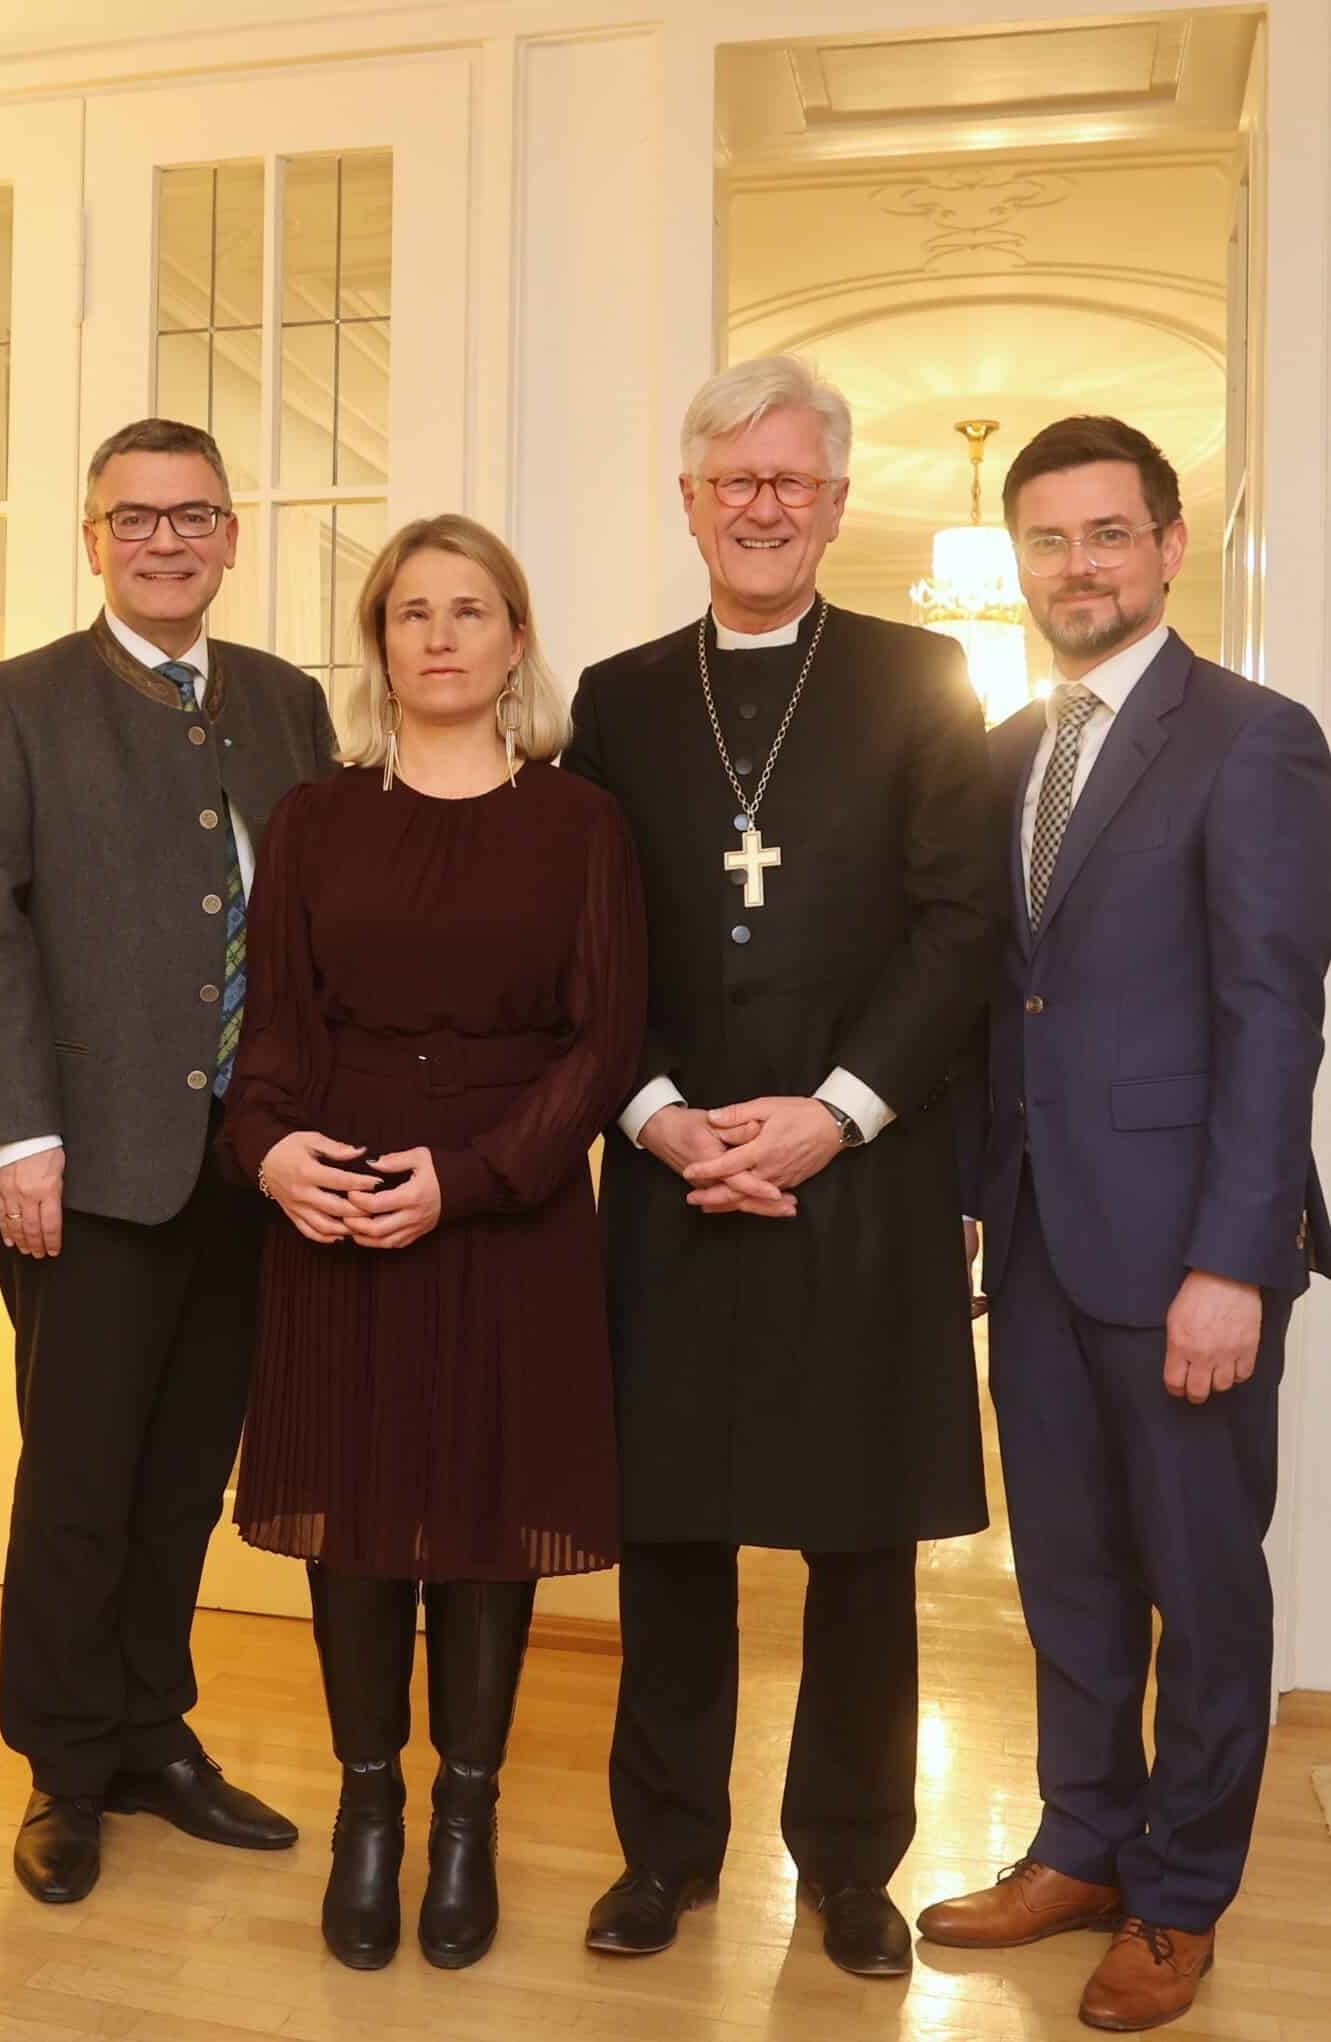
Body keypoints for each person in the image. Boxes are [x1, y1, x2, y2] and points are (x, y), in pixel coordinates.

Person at [565, 355, 1002, 1979]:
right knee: (673, 1536)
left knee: (859, 1542)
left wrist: (836, 1110)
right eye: (734, 481)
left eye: (791, 483)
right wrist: (656, 1110)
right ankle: (665, 1851)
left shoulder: (921, 676)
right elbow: (586, 934)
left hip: (860, 1170)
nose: (762, 507)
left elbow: (962, 923)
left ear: (835, 505)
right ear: (689, 504)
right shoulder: (618, 697)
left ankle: (852, 1865)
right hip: (675, 1168)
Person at [918, 416, 1331, 2033]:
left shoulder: (1257, 739)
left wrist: (1236, 1258)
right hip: (1035, 1239)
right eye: (1048, 538)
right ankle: (1081, 1842)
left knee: (1202, 1586)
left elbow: (1273, 1018)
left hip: (1186, 1256)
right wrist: (970, 1199)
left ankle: (1180, 1893)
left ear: (1169, 545)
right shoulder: (1008, 752)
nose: (1076, 565)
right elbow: (1000, 1004)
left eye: (1107, 532)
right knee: (1071, 1572)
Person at [221, 515, 647, 1971]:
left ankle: (466, 1814)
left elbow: (603, 1042)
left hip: (505, 1209)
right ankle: (368, 1809)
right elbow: (273, 1033)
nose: (443, 635)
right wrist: (271, 1154)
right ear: (380, 642)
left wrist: (467, 1181)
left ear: (517, 641)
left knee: (481, 1526)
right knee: (351, 1520)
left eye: (472, 610)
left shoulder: (580, 823)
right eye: (414, 611)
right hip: (337, 1201)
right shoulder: (313, 817)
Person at [0, 418, 333, 1906]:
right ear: (93, 537)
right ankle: (65, 1762)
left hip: (248, 1166)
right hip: (83, 1164)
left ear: (230, 535)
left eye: (193, 516)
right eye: (136, 518)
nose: (166, 542)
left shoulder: (288, 701)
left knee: (183, 1479)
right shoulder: (16, 701)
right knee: (82, 1482)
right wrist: (14, 1135)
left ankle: (153, 1731)